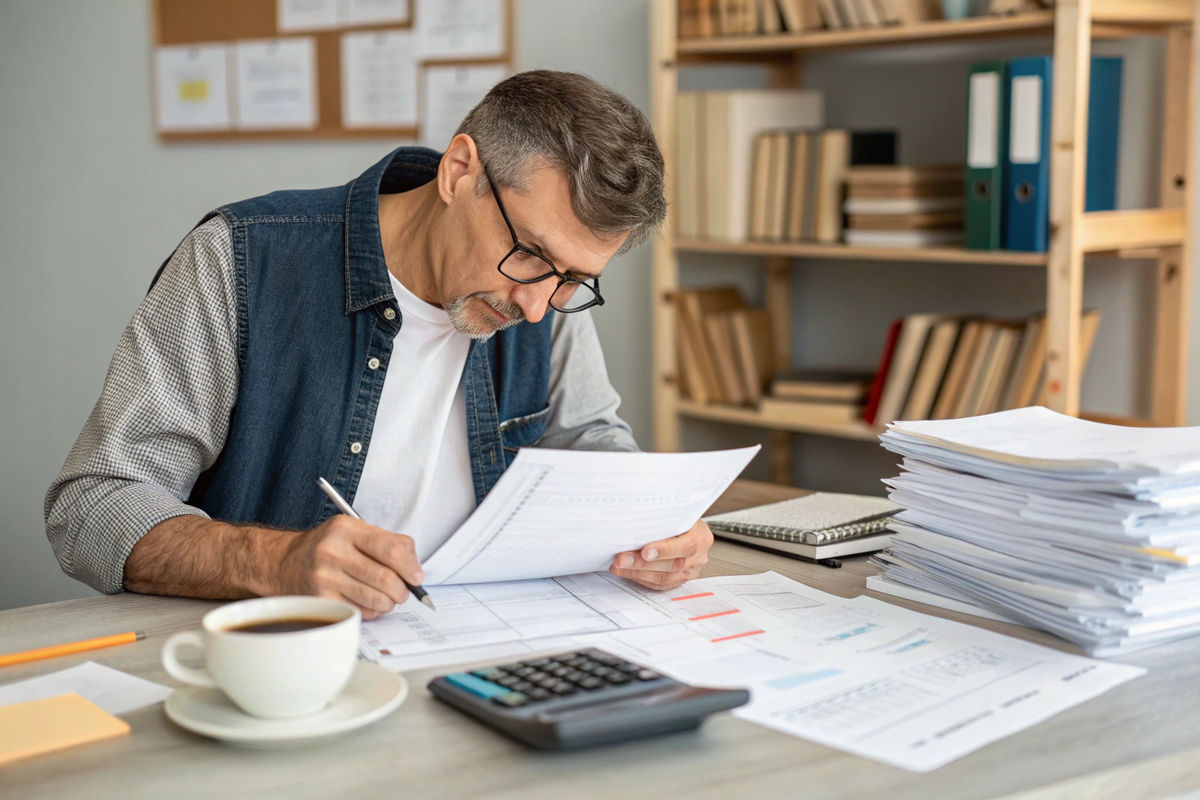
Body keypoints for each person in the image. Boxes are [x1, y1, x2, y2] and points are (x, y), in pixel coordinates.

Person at [45, 70, 715, 619]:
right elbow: (94, 503)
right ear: (458, 171)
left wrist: (653, 525)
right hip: (275, 666)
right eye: (531, 254)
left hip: (487, 646)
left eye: (575, 279)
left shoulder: (542, 292)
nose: (539, 308)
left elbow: (591, 441)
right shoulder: (241, 259)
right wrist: (273, 562)